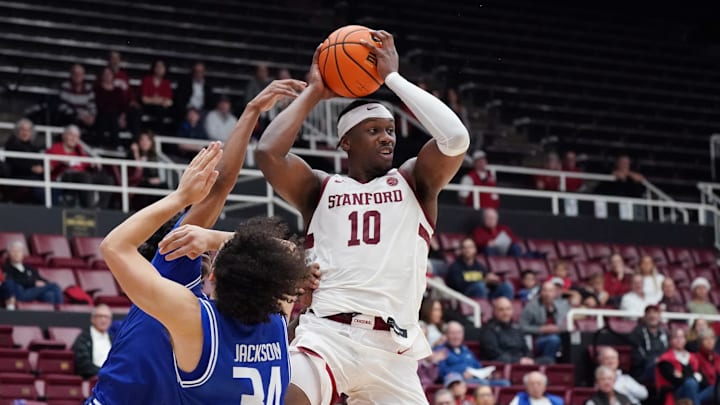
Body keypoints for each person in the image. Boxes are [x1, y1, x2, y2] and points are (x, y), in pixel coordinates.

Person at [256, 30, 470, 404]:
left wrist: (393, 79)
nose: (387, 138)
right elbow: (268, 153)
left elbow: (456, 139)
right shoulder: (320, 188)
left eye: (390, 130)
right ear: (346, 143)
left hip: (393, 351)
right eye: (374, 131)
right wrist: (315, 93)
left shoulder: (414, 181)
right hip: (326, 335)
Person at [87, 79, 305, 405]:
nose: (201, 250)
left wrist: (250, 112)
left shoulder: (200, 310)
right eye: (198, 248)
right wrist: (250, 112)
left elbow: (218, 189)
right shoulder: (174, 268)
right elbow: (220, 193)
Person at [47, 125, 115, 208]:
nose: (73, 138)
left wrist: (93, 165)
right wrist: (62, 163)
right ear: (64, 136)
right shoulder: (55, 148)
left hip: (82, 175)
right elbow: (49, 167)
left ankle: (100, 207)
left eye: (76, 136)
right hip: (63, 176)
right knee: (84, 176)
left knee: (106, 179)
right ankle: (89, 208)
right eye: (71, 135)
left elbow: (86, 164)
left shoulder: (79, 150)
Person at [437, 321, 510, 387]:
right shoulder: (440, 350)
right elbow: (440, 372)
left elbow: (478, 366)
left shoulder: (466, 350)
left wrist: (487, 375)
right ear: (446, 335)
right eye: (453, 333)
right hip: (457, 383)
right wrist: (461, 373)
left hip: (476, 379)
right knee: (483, 384)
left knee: (505, 383)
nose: (456, 336)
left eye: (459, 333)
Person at [656, 327, 713, 405]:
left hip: (696, 391)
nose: (679, 340)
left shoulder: (692, 357)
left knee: (714, 388)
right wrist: (694, 376)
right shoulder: (665, 359)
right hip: (676, 393)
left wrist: (685, 375)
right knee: (690, 383)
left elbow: (704, 381)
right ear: (670, 341)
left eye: (682, 337)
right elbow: (675, 380)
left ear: (685, 340)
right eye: (676, 337)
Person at [446, 238, 513, 299]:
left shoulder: (479, 266)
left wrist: (493, 280)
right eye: (465, 247)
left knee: (506, 287)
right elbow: (460, 287)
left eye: (470, 247)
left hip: (484, 295)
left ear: (475, 249)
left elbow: (487, 281)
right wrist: (484, 281)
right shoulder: (455, 267)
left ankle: (504, 308)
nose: (467, 250)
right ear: (461, 250)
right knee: (479, 287)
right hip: (465, 297)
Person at [520, 281, 568, 364]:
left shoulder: (563, 305)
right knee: (553, 340)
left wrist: (560, 328)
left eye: (550, 291)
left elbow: (568, 322)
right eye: (545, 290)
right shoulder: (531, 306)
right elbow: (522, 327)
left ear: (555, 293)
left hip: (561, 336)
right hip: (538, 339)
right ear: (541, 292)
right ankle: (548, 366)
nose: (547, 294)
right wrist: (541, 329)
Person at [479, 297, 535, 364]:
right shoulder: (488, 330)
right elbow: (493, 353)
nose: (505, 313)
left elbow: (526, 349)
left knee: (546, 360)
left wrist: (528, 358)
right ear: (494, 312)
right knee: (504, 359)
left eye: (508, 309)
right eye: (501, 310)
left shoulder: (517, 328)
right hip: (504, 364)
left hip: (522, 362)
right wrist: (517, 360)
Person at [3, 118, 44, 204]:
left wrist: (41, 168)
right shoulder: (11, 145)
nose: (25, 133)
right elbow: (14, 163)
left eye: (28, 130)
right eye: (23, 130)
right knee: (39, 190)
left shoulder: (34, 148)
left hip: (34, 179)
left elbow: (39, 162)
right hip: (18, 178)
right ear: (17, 131)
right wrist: (31, 168)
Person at [629, 304, 669, 382]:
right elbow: (638, 356)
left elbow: (669, 351)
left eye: (655, 313)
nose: (652, 316)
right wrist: (655, 360)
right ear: (645, 316)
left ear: (659, 316)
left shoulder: (665, 332)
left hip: (664, 365)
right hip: (644, 369)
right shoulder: (637, 332)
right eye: (649, 313)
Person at [128, 131, 168, 210]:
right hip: (139, 183)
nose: (144, 142)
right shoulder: (132, 155)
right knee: (146, 186)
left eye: (147, 140)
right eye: (142, 140)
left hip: (151, 184)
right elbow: (137, 172)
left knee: (164, 186)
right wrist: (136, 153)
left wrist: (157, 180)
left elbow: (158, 175)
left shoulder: (154, 157)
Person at [72, 304, 113, 378]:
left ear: (110, 321)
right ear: (93, 319)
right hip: (92, 378)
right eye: (100, 316)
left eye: (106, 317)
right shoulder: (83, 338)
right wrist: (104, 373)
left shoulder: (114, 339)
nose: (103, 320)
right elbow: (82, 364)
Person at [93, 66, 128, 148]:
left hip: (115, 118)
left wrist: (122, 117)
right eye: (105, 74)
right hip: (101, 116)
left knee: (113, 115)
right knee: (108, 114)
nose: (107, 76)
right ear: (101, 76)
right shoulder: (97, 89)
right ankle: (102, 143)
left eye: (109, 74)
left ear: (113, 76)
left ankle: (115, 144)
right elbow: (96, 105)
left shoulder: (118, 90)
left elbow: (123, 106)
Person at [56, 64, 96, 129]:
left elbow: (92, 106)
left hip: (85, 117)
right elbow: (63, 107)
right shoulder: (65, 86)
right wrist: (78, 115)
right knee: (72, 118)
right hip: (70, 116)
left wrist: (92, 116)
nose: (78, 76)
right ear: (71, 75)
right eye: (75, 73)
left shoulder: (88, 88)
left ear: (83, 75)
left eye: (80, 74)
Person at [141, 59, 173, 132]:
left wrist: (153, 99)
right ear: (154, 68)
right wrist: (161, 100)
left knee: (162, 111)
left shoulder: (166, 83)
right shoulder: (147, 80)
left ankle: (159, 134)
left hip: (159, 109)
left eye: (162, 67)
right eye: (158, 66)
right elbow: (144, 99)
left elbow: (169, 102)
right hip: (147, 107)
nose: (159, 69)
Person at [695, 329, 720, 403]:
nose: (710, 342)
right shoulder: (695, 358)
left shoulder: (718, 358)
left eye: (712, 338)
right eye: (706, 339)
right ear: (700, 342)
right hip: (705, 389)